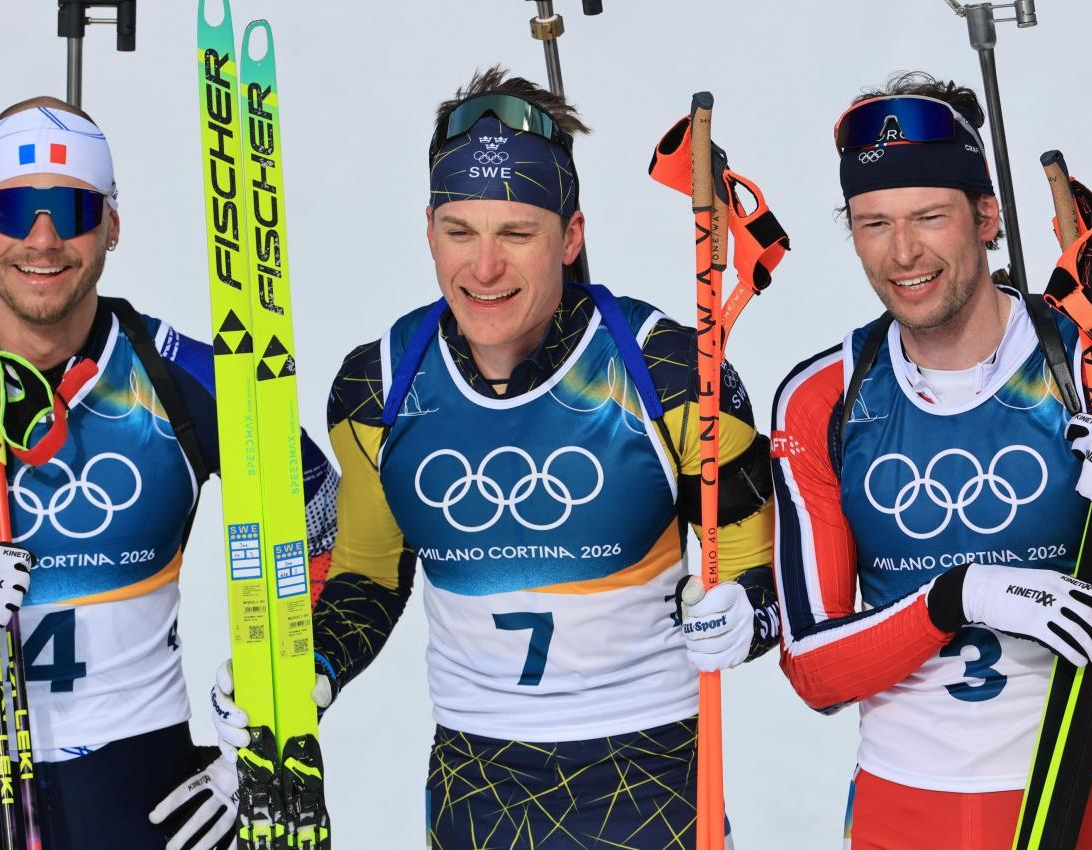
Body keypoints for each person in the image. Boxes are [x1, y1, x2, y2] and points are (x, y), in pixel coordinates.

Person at [209, 66, 780, 848]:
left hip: (651, 784)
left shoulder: (672, 372)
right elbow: (368, 573)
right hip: (473, 790)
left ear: (569, 236)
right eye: (459, 232)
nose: (482, 268)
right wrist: (309, 667)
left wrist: (744, 616)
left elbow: (758, 575)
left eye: (515, 234)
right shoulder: (378, 386)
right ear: (428, 229)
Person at [0, 95, 339, 850]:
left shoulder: (186, 379)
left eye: (72, 210)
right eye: (12, 210)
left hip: (144, 788)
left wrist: (280, 707)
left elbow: (335, 528)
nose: (42, 239)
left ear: (112, 225)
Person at [770, 71, 1092, 849]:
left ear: (985, 217)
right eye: (873, 223)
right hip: (899, 811)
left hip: (1081, 793)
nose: (902, 252)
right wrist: (957, 596)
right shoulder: (823, 397)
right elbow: (815, 672)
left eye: (928, 216)